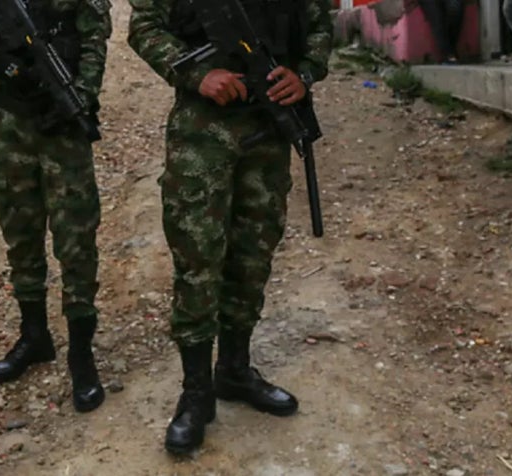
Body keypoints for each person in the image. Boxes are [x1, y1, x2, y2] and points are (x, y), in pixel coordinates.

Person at [128, 0, 332, 455]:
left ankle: (234, 371)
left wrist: (305, 74)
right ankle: (196, 392)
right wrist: (195, 74)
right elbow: (143, 26)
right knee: (198, 258)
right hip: (202, 133)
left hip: (270, 128)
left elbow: (319, 25)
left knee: (253, 255)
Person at [0, 0, 111, 413]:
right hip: (11, 126)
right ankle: (35, 335)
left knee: (76, 238)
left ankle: (81, 354)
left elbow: (94, 48)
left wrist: (78, 97)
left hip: (65, 126)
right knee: (20, 231)